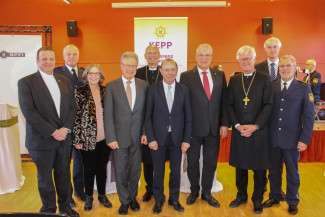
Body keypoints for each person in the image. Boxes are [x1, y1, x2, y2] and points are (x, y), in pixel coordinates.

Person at [18, 46, 79, 217]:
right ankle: (48, 210)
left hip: (63, 138)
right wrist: (53, 131)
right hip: (41, 140)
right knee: (45, 178)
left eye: (51, 59)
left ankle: (65, 207)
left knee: (64, 176)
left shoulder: (64, 80)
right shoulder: (26, 82)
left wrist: (65, 129)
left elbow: (72, 108)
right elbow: (29, 112)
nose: (48, 62)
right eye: (44, 59)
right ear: (37, 61)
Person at [262, 55, 314, 215]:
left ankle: (292, 200)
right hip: (273, 138)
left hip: (293, 139)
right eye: (282, 66)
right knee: (273, 171)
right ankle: (275, 195)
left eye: (288, 66)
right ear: (278, 68)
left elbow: (309, 116)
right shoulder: (272, 86)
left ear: (295, 68)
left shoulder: (304, 88)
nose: (285, 69)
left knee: (293, 172)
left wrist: (304, 139)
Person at [180, 43, 229, 208]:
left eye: (207, 55)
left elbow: (224, 102)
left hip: (213, 129)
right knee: (192, 162)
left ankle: (206, 192)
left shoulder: (220, 75)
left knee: (210, 162)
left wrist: (224, 123)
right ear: (195, 56)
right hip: (193, 129)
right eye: (201, 55)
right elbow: (183, 104)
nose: (204, 58)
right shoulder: (186, 76)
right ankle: (194, 190)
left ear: (211, 57)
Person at [227, 45, 273, 214]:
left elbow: (268, 104)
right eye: (242, 59)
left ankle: (258, 198)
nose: (245, 61)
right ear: (238, 60)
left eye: (248, 58)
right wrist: (237, 125)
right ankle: (241, 195)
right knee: (241, 166)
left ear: (254, 59)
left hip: (258, 131)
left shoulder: (264, 78)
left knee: (259, 168)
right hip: (240, 130)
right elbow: (229, 104)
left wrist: (255, 126)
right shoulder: (234, 79)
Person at [145, 59, 192, 214]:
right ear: (161, 71)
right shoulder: (152, 90)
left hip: (177, 139)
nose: (170, 73)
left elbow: (188, 118)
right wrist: (151, 138)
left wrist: (186, 139)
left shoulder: (184, 90)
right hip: (158, 139)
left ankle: (174, 199)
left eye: (173, 69)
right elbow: (148, 117)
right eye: (167, 70)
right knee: (158, 171)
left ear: (177, 70)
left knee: (175, 172)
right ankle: (159, 200)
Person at [104, 52, 148, 215]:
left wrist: (145, 132)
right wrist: (111, 137)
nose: (130, 68)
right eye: (127, 65)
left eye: (133, 65)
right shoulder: (111, 86)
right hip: (119, 139)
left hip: (138, 137)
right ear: (121, 66)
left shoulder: (144, 85)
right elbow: (108, 114)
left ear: (137, 67)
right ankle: (124, 201)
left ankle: (132, 197)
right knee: (121, 171)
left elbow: (146, 114)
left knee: (135, 171)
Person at [73, 64, 112, 211]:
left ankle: (102, 195)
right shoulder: (79, 91)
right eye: (90, 73)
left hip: (104, 138)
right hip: (86, 139)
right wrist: (77, 139)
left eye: (96, 73)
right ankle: (89, 196)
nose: (93, 76)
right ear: (86, 75)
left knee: (102, 168)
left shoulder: (105, 91)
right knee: (88, 169)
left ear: (100, 75)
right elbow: (75, 117)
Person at [54, 44, 86, 206]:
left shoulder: (85, 72)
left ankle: (80, 191)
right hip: (64, 123)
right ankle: (66, 196)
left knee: (80, 161)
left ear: (78, 56)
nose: (71, 57)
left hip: (81, 124)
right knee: (64, 161)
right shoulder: (56, 73)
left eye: (74, 54)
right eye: (68, 54)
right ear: (63, 55)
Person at [255, 37, 285, 199]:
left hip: (280, 119)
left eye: (275, 47)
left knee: (277, 159)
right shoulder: (257, 68)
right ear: (265, 49)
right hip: (262, 120)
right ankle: (261, 188)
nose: (272, 50)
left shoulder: (286, 66)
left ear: (279, 49)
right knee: (261, 156)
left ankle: (276, 189)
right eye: (269, 47)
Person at [135, 45, 163, 202]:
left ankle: (159, 188)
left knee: (158, 159)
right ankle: (149, 189)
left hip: (161, 122)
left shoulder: (165, 71)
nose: (152, 55)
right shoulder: (138, 73)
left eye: (155, 53)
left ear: (159, 56)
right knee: (147, 160)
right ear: (145, 55)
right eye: (149, 53)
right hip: (143, 122)